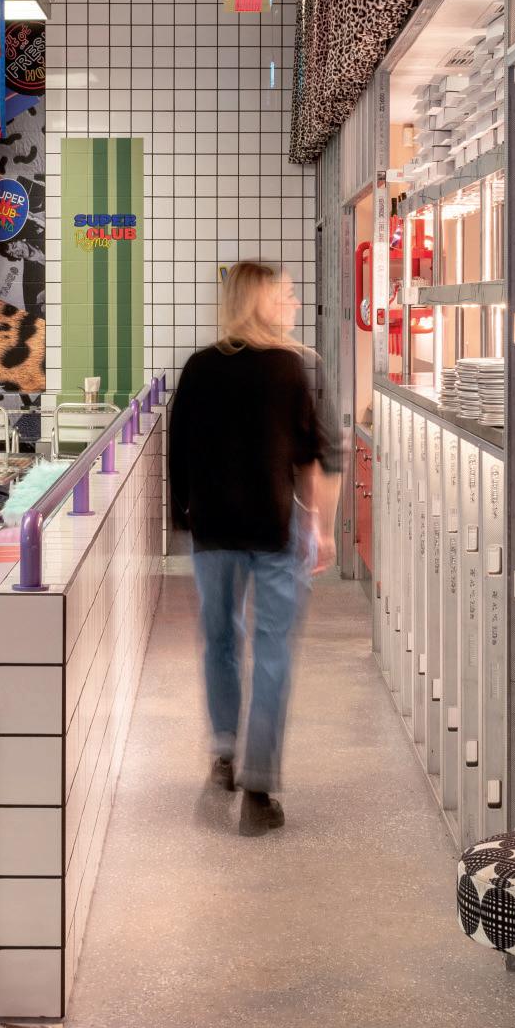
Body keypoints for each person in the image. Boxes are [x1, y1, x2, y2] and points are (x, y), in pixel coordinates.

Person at [165, 260, 344, 835]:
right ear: (256, 300)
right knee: (271, 651)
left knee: (220, 639)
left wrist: (187, 516)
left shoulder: (198, 368)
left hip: (213, 531)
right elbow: (317, 457)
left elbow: (178, 452)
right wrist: (320, 526)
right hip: (273, 528)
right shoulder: (295, 367)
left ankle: (224, 751)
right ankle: (258, 789)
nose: (292, 302)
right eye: (282, 293)